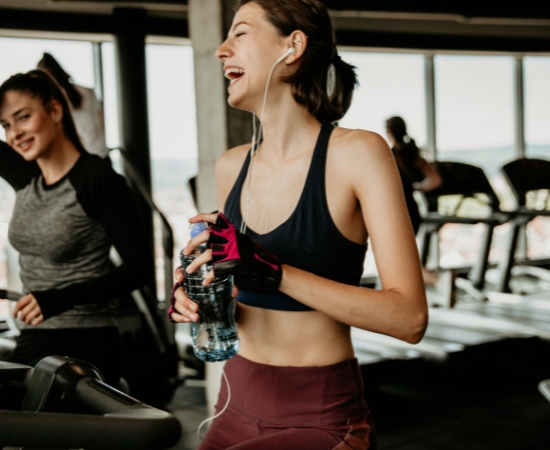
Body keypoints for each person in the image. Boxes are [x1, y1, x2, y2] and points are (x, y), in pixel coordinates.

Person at [170, 1, 428, 449]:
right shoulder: (231, 166)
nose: (220, 50)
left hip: (320, 413)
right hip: (234, 400)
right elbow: (237, 284)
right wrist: (198, 294)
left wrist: (276, 273)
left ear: (292, 46)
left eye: (241, 33)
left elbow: (410, 319)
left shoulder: (358, 153)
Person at [0, 70, 151, 390]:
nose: (14, 133)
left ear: (54, 111)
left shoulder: (99, 180)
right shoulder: (26, 173)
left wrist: (58, 299)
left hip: (84, 344)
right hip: (35, 337)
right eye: (6, 125)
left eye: (23, 117)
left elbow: (140, 269)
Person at [38, 52, 110, 160]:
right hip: (101, 152)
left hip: (81, 158)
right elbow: (101, 123)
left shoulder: (54, 100)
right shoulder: (88, 92)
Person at [385, 116, 441, 236]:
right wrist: (415, 188)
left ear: (389, 132)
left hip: (395, 211)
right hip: (412, 211)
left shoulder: (388, 157)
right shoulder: (413, 155)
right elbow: (436, 180)